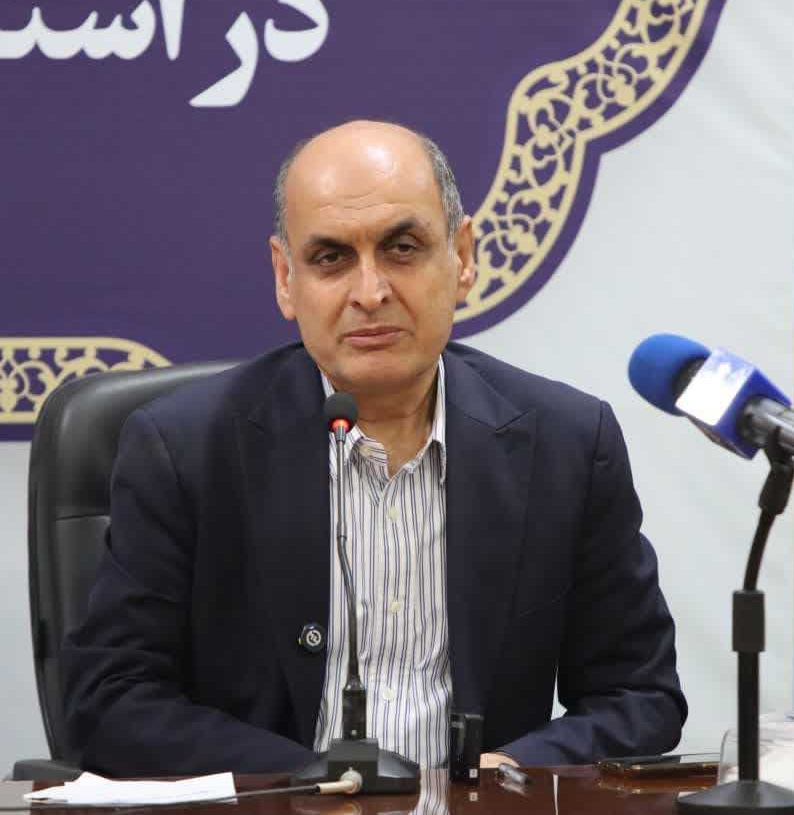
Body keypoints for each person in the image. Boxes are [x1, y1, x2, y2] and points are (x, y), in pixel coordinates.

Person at [63, 120, 686, 777]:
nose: (370, 292)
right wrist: (310, 781)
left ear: (463, 256)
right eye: (331, 259)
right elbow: (110, 702)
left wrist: (505, 774)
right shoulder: (184, 450)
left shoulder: (567, 443)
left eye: (402, 248)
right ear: (285, 278)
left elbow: (638, 695)